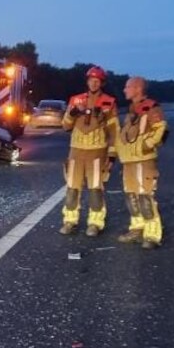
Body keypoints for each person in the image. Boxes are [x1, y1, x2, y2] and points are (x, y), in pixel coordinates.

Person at [60, 65, 118, 237]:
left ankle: (95, 222)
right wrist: (71, 114)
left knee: (95, 190)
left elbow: (114, 130)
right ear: (87, 81)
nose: (94, 83)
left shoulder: (109, 102)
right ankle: (70, 221)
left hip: (97, 152)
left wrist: (112, 154)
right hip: (76, 151)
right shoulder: (76, 100)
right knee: (72, 189)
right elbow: (65, 126)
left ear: (102, 83)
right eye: (91, 80)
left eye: (97, 81)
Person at [115, 77, 167, 249]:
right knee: (131, 197)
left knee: (145, 197)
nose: (124, 90)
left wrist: (147, 145)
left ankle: (152, 234)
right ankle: (137, 228)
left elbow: (161, 128)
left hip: (143, 160)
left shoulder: (151, 107)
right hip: (129, 160)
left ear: (137, 88)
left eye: (127, 87)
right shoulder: (132, 109)